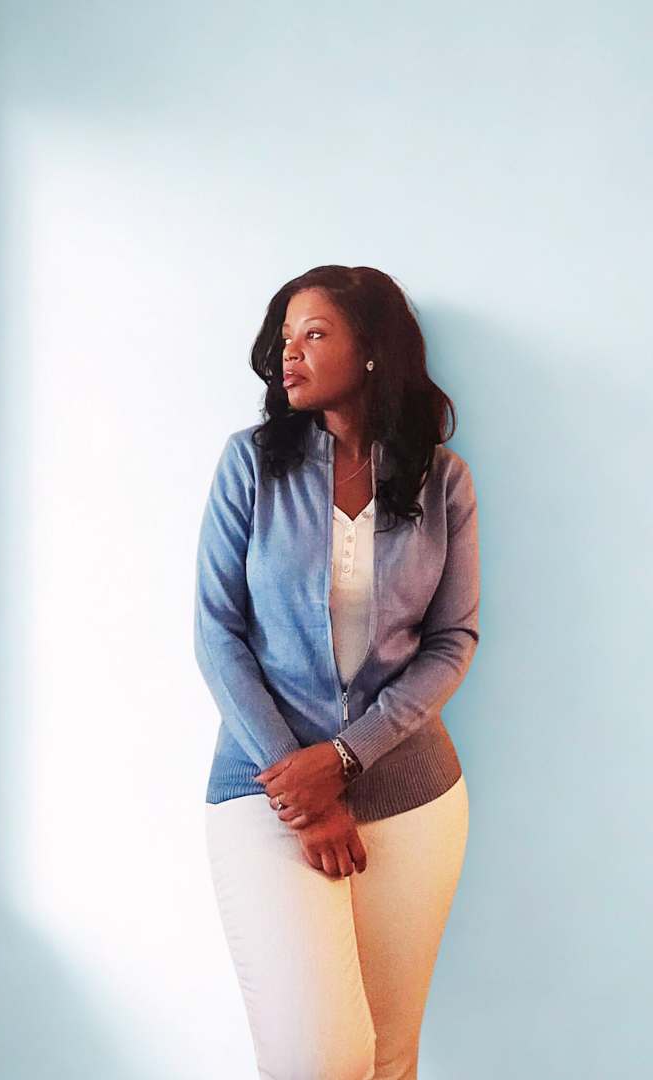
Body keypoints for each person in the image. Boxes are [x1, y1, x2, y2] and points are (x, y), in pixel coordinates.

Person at [195, 264, 480, 1080]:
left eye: (313, 333)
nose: (289, 353)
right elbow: (217, 633)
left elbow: (451, 640)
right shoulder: (250, 464)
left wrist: (346, 759)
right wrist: (300, 785)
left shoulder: (443, 480)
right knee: (321, 1059)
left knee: (390, 1060)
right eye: (284, 337)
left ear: (372, 352)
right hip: (263, 787)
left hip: (413, 793)